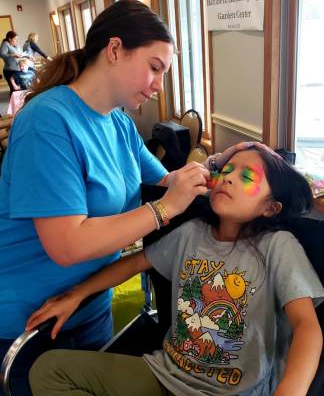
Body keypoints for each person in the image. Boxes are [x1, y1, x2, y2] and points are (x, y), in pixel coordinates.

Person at [0, 0, 250, 396]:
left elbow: (166, 182)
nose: (158, 85)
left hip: (90, 303)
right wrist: (166, 208)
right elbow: (67, 244)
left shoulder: (118, 122)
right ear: (114, 50)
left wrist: (216, 172)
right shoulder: (47, 122)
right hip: (31, 319)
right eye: (155, 68)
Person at [28, 147, 324, 396]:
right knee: (48, 369)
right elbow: (132, 264)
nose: (229, 179)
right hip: (165, 375)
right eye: (227, 171)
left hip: (233, 391)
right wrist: (76, 295)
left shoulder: (278, 246)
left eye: (246, 177)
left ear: (270, 208)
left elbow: (307, 328)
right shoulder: (192, 233)